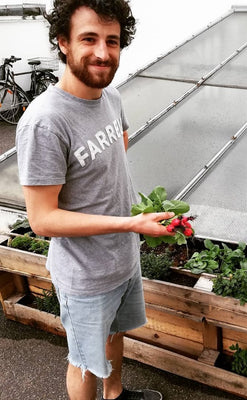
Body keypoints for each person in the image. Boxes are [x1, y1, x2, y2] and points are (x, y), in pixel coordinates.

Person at [15, 1, 173, 399]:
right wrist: (129, 224)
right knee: (84, 361)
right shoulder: (45, 122)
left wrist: (130, 213)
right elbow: (43, 220)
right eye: (89, 39)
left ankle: (116, 395)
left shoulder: (111, 97)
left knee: (114, 335)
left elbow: (118, 146)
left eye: (112, 41)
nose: (103, 52)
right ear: (63, 42)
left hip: (122, 259)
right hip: (85, 276)